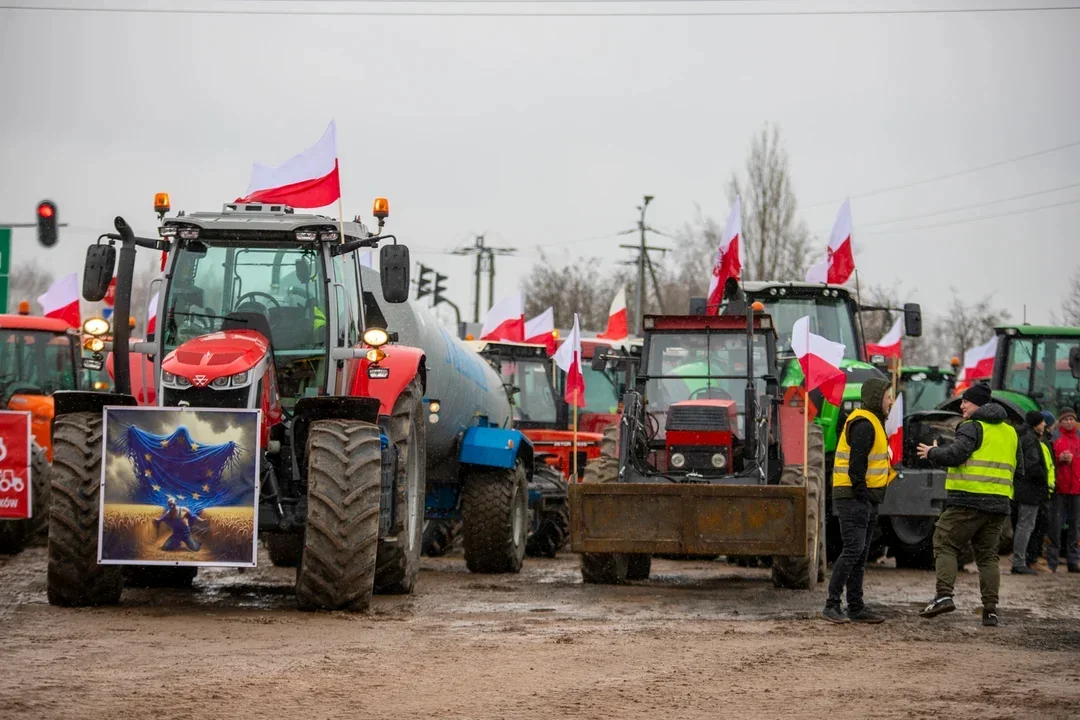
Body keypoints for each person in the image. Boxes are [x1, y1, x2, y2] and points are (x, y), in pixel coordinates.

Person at [916, 384, 1022, 627]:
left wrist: (933, 452)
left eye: (967, 401)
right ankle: (991, 610)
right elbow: (1020, 469)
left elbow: (955, 455)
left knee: (944, 542)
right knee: (987, 556)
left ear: (980, 405)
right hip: (999, 504)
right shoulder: (1010, 432)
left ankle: (944, 596)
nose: (962, 405)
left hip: (968, 500)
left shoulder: (972, 426)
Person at [821, 378, 893, 624]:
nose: (890, 401)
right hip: (854, 497)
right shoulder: (864, 424)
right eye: (888, 396)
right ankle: (832, 604)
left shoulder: (873, 422)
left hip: (865, 498)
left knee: (860, 554)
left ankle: (855, 606)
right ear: (876, 398)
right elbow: (856, 468)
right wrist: (863, 494)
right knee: (853, 550)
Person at [1011, 411, 1051, 575]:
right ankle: (1019, 562)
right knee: (1025, 526)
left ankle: (1020, 560)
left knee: (1024, 526)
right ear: (1036, 424)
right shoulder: (1030, 439)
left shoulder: (1024, 437)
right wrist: (1044, 480)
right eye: (1042, 422)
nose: (1044, 425)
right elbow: (1033, 467)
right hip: (1030, 491)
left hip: (1024, 489)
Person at [1049, 407, 1080, 573]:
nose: (1069, 422)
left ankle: (1073, 561)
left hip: (1077, 488)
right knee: (1056, 525)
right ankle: (1052, 561)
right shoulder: (1055, 438)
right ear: (1060, 422)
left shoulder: (1079, 438)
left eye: (1071, 419)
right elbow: (1048, 460)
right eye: (1065, 419)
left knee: (1075, 527)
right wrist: (1059, 459)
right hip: (1060, 488)